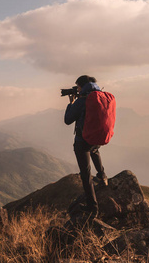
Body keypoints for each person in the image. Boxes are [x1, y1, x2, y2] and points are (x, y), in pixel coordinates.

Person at [64, 75, 108, 218]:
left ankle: (92, 208)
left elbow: (68, 120)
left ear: (81, 86)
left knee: (85, 174)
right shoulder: (100, 97)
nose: (77, 89)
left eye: (77, 87)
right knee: (94, 150)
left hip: (82, 141)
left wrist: (71, 103)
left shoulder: (82, 101)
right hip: (96, 138)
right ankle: (103, 177)